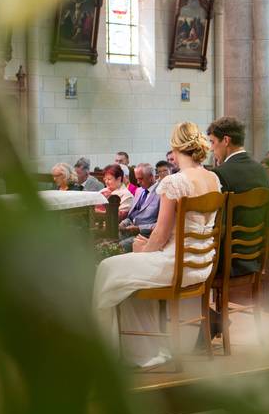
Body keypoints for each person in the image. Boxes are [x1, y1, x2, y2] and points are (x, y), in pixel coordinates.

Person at [93, 122, 221, 368]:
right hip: (201, 263)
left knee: (108, 269)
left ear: (175, 148)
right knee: (125, 278)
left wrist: (143, 250)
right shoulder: (213, 179)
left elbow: (161, 234)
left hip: (175, 264)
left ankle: (121, 351)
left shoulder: (174, 182)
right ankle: (143, 346)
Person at [207, 115, 269, 276]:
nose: (211, 149)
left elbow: (215, 222)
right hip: (254, 256)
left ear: (226, 140)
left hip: (224, 261)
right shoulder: (261, 171)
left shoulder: (220, 174)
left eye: (213, 142)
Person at [118, 163, 161, 252]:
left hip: (147, 234)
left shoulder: (161, 193)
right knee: (108, 240)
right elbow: (132, 215)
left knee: (120, 246)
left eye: (140, 179)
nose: (138, 182)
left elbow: (161, 224)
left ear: (151, 177)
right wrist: (124, 223)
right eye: (137, 179)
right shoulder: (139, 190)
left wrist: (139, 228)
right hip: (130, 229)